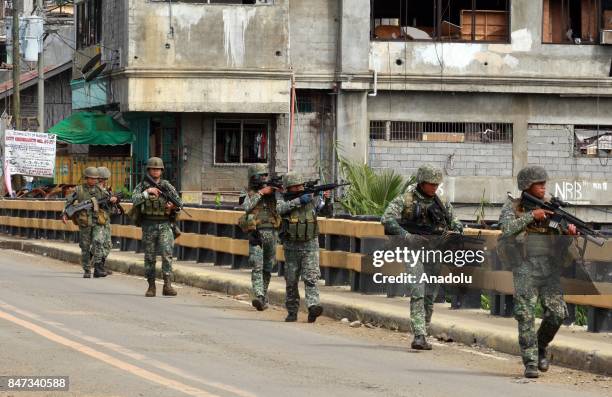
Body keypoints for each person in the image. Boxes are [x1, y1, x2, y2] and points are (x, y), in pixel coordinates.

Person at [498, 165, 577, 378]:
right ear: (527, 186)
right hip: (524, 266)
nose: (543, 188)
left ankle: (541, 346)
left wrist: (568, 233)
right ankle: (530, 362)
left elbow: (560, 240)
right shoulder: (513, 207)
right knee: (525, 315)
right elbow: (505, 230)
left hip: (549, 268)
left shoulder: (551, 209)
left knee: (557, 313)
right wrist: (531, 216)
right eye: (539, 184)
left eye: (544, 184)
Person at [381, 164, 463, 350]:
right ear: (421, 182)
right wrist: (407, 236)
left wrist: (456, 231)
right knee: (417, 289)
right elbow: (386, 218)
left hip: (434, 251)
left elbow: (455, 221)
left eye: (436, 184)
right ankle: (418, 334)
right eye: (430, 184)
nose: (434, 187)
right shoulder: (406, 200)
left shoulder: (440, 202)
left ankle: (423, 331)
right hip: (413, 250)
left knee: (429, 293)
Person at [277, 172, 328, 323]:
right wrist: (299, 200)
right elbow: (279, 210)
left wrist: (324, 197)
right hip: (291, 247)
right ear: (289, 188)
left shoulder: (311, 200)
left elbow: (325, 211)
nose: (300, 187)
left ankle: (313, 307)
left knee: (311, 278)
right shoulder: (282, 200)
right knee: (291, 281)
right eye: (296, 186)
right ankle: (292, 311)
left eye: (301, 185)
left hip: (310, 245)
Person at [131, 157, 183, 297]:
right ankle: (151, 286)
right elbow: (134, 200)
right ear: (148, 170)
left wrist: (172, 207)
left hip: (165, 224)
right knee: (150, 257)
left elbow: (179, 202)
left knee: (167, 254)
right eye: (153, 169)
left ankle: (167, 285)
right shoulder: (142, 185)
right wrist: (148, 193)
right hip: (148, 224)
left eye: (158, 169)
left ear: (161, 171)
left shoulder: (166, 185)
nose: (155, 171)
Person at [62, 167, 116, 278]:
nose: (93, 181)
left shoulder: (100, 190)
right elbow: (68, 202)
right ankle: (87, 269)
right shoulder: (79, 190)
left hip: (97, 221)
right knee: (85, 246)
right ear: (86, 178)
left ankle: (98, 267)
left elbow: (108, 203)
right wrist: (65, 214)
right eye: (90, 178)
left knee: (98, 241)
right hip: (85, 222)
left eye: (95, 179)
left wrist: (112, 200)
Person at [241, 164, 281, 311]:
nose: (264, 178)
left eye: (265, 175)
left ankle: (263, 295)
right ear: (253, 177)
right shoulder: (249, 192)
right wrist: (261, 193)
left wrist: (275, 192)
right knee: (257, 266)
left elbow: (282, 207)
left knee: (268, 267)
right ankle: (258, 295)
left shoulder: (274, 192)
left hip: (271, 233)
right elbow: (246, 207)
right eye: (261, 175)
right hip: (256, 234)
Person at [96, 166, 114, 276]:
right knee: (100, 243)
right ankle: (98, 267)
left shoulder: (104, 190)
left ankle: (101, 266)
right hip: (99, 219)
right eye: (105, 179)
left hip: (105, 219)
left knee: (107, 244)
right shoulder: (96, 190)